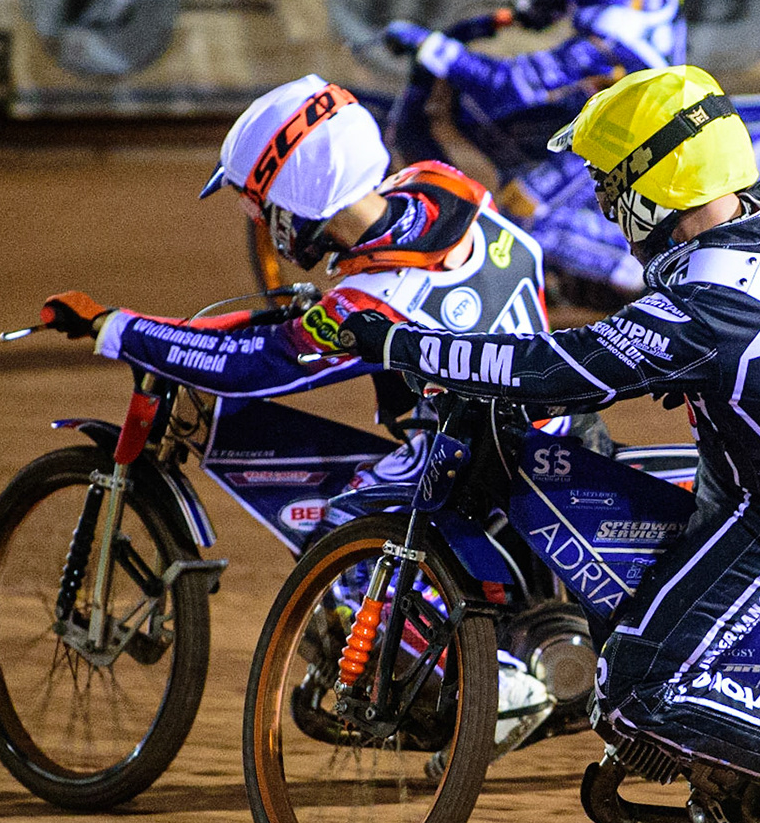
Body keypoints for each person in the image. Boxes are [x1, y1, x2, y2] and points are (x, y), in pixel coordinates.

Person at [335, 65, 760, 823]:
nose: (605, 202)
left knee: (638, 688)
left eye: (611, 182)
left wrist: (392, 342)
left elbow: (549, 368)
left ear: (655, 186)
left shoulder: (709, 307)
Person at [35, 73, 562, 752]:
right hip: (555, 419)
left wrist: (118, 327)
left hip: (486, 456)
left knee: (340, 525)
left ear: (294, 205)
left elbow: (253, 366)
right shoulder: (442, 186)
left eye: (262, 207)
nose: (262, 224)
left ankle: (502, 683)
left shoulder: (374, 299)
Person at [381, 0, 684, 298]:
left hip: (634, 137)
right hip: (644, 91)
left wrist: (433, 47)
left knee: (522, 211)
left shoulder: (606, 41)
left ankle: (641, 270)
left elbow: (510, 82)